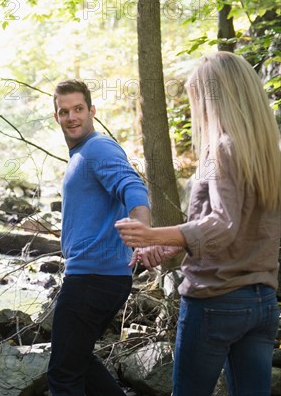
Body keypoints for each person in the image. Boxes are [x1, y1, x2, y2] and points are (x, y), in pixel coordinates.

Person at [115, 51, 281, 395]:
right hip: (262, 303)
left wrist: (152, 233)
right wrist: (173, 244)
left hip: (215, 301)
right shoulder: (270, 154)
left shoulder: (221, 150)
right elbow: (239, 227)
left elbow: (222, 224)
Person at [47, 79, 151, 396]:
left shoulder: (97, 148)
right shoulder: (80, 154)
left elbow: (133, 187)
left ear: (92, 110)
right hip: (100, 277)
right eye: (64, 111)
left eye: (78, 109)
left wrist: (143, 233)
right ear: (57, 117)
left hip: (92, 279)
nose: (72, 117)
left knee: (64, 374)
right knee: (77, 360)